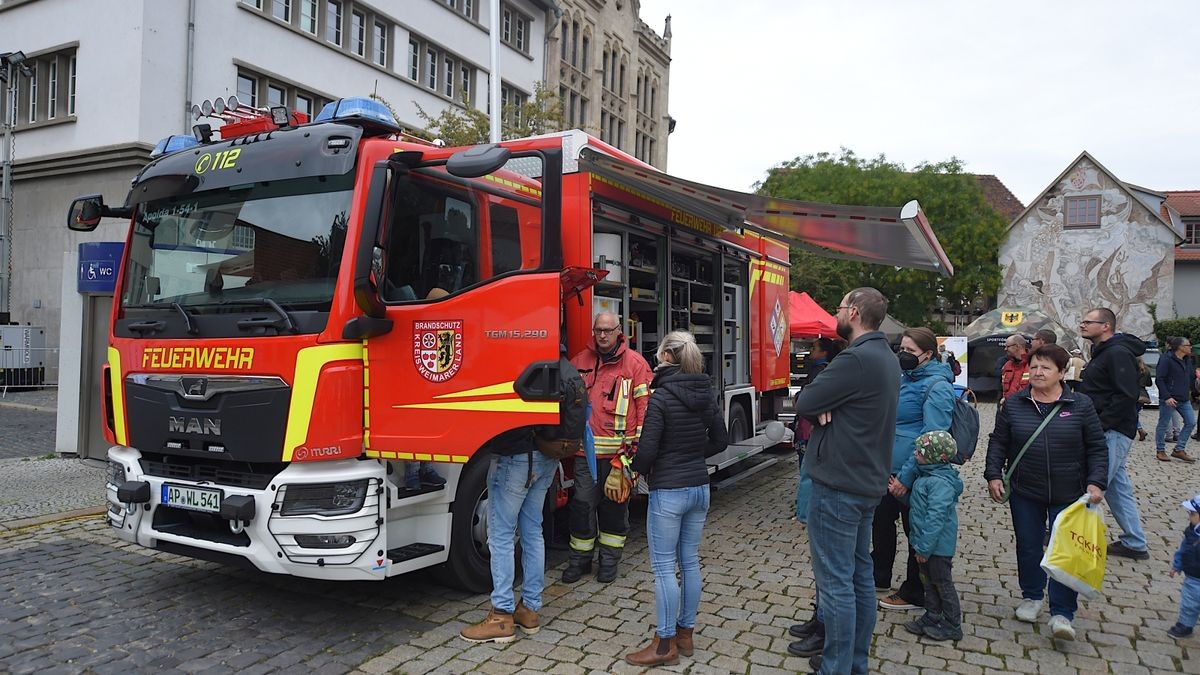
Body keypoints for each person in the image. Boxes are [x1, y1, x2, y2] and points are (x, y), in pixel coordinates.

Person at [789, 288, 899, 675]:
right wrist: (827, 405)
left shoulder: (855, 358)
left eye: (838, 307)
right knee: (858, 578)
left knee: (836, 583)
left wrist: (823, 405)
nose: (835, 313)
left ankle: (835, 667)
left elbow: (805, 403)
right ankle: (854, 664)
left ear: (853, 312)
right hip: (865, 482)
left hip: (839, 484)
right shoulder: (884, 355)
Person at [984, 343, 1108, 641]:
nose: (1038, 372)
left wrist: (1097, 482)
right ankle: (1032, 596)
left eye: (1046, 368)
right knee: (1028, 545)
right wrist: (992, 474)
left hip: (1070, 493)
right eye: (1034, 366)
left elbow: (1097, 447)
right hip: (1026, 490)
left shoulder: (1080, 405)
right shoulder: (1014, 403)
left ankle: (1063, 613)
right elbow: (999, 441)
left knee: (1064, 551)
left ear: (1062, 373)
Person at [624, 331, 728, 667]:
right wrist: (693, 457)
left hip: (669, 490)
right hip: (699, 486)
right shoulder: (705, 391)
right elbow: (721, 440)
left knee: (664, 568)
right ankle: (686, 634)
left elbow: (648, 449)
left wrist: (635, 468)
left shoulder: (662, 397)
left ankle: (664, 643)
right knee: (690, 562)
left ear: (668, 356)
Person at [563, 312, 653, 583]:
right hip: (585, 455)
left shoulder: (635, 364)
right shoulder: (580, 361)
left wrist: (632, 453)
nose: (602, 335)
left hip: (619, 456)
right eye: (598, 330)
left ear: (618, 331)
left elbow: (644, 412)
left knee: (614, 509)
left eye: (607, 330)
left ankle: (609, 562)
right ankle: (580, 561)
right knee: (581, 507)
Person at [875, 328, 955, 613]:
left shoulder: (937, 386)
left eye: (910, 351)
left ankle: (915, 591)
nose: (903, 355)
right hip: (886, 468)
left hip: (913, 474)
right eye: (902, 348)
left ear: (929, 354)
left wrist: (906, 478)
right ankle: (879, 574)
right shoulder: (904, 379)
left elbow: (931, 437)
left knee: (915, 532)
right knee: (881, 524)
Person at [459, 427, 563, 644]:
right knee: (533, 532)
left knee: (501, 536)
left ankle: (501, 616)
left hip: (515, 455)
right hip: (547, 452)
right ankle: (529, 610)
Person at [1078, 307, 1150, 561]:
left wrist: (1099, 425)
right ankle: (1135, 541)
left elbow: (1125, 395)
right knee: (1118, 488)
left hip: (1112, 431)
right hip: (1108, 429)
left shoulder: (1117, 353)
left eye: (1088, 321)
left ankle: (1073, 536)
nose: (1082, 325)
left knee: (1091, 483)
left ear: (1105, 325)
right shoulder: (1104, 352)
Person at [903, 430, 964, 642]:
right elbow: (919, 506)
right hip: (924, 543)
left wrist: (924, 548)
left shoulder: (939, 483)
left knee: (941, 583)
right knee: (928, 582)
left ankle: (952, 623)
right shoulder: (927, 476)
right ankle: (932, 615)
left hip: (936, 547)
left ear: (936, 457)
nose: (916, 454)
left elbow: (935, 518)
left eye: (920, 451)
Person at [794, 337, 842, 523]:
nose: (810, 352)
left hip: (809, 426)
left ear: (824, 352)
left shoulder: (820, 371)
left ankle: (804, 512)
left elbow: (812, 398)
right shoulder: (826, 369)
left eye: (814, 348)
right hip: (810, 426)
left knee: (806, 469)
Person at [1156, 337, 1197, 463]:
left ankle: (1179, 449)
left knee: (1190, 422)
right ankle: (1160, 450)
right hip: (1169, 398)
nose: (1190, 347)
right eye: (1188, 345)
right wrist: (1167, 396)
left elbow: (1190, 377)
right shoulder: (1166, 359)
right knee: (1163, 424)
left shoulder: (1187, 360)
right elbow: (1160, 379)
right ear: (1180, 347)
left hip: (1184, 398)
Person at [1168, 494, 1200, 640]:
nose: (1189, 517)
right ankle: (1185, 625)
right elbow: (1183, 550)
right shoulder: (1191, 532)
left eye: (1192, 514)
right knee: (1189, 603)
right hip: (1193, 577)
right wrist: (1177, 565)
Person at [1001, 335, 1031, 400]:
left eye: (1007, 346)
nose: (1005, 349)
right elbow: (1003, 388)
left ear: (1017, 346)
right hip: (1008, 405)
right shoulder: (1007, 365)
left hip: (1025, 406)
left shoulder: (1033, 364)